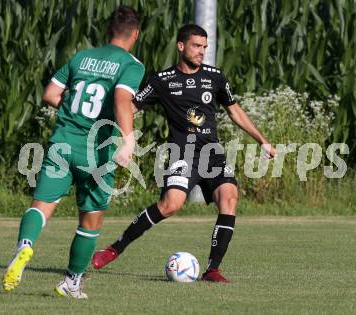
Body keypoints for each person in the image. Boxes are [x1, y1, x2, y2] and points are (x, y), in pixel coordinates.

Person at [92, 24, 277, 282]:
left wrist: (262, 141)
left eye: (204, 46)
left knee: (230, 196)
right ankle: (114, 249)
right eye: (196, 46)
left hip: (212, 154)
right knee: (171, 205)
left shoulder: (215, 77)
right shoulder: (163, 80)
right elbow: (130, 108)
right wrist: (101, 123)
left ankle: (212, 269)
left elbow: (235, 111)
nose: (202, 51)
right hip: (183, 155)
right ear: (181, 46)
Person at [2, 5, 145, 298]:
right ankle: (71, 282)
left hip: (62, 143)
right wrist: (128, 140)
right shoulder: (131, 64)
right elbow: (121, 100)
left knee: (41, 206)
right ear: (136, 34)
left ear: (109, 31)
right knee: (91, 219)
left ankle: (25, 245)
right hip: (95, 152)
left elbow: (50, 94)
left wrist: (71, 110)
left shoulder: (82, 56)